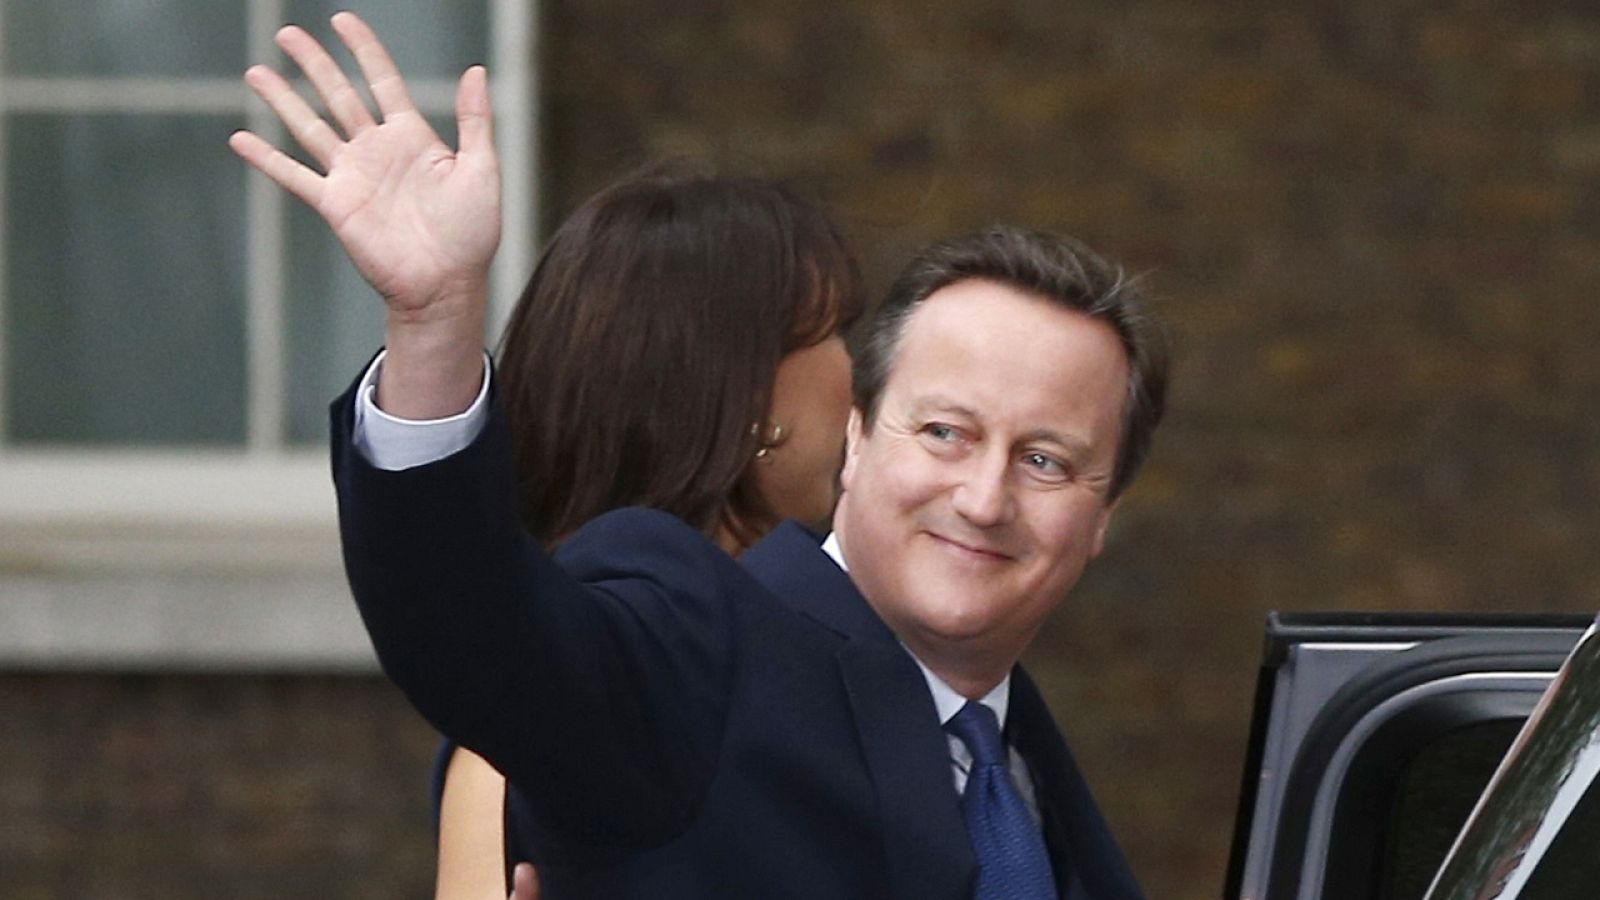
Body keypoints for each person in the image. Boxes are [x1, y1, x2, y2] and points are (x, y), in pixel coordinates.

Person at [240, 12, 1169, 899]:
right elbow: (471, 629)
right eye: (944, 433)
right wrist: (435, 326)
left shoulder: (1021, 760)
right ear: (856, 432)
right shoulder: (696, 639)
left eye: (1045, 460)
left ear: (1104, 516)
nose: (983, 496)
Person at [228, 13, 860, 900]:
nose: (862, 373)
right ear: (751, 399)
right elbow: (469, 628)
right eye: (837, 331)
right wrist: (434, 327)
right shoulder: (638, 661)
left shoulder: (847, 625)